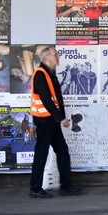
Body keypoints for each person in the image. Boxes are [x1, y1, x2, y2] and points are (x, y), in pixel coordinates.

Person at [29, 46, 83, 199]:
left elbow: (56, 99)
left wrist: (59, 118)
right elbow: (46, 99)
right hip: (44, 120)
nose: (58, 57)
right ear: (47, 58)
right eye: (55, 55)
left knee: (62, 151)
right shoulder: (41, 74)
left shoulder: (50, 73)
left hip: (51, 120)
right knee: (41, 153)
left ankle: (66, 186)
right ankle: (35, 188)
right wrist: (61, 118)